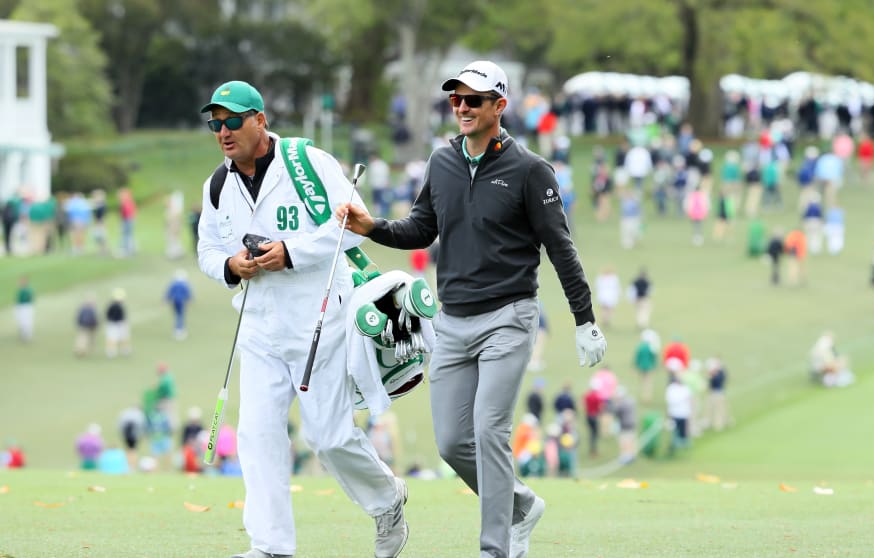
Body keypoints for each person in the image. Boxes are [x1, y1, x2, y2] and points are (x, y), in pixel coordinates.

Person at [337, 61, 606, 558]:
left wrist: (584, 319)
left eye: (473, 100)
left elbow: (561, 247)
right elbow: (421, 228)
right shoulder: (441, 163)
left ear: (499, 107)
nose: (461, 107)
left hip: (509, 317)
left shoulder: (530, 171)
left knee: (489, 431)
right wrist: (371, 226)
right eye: (455, 99)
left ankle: (494, 548)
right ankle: (522, 506)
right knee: (453, 442)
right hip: (451, 323)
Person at [196, 80, 408, 558]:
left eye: (233, 121)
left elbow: (352, 226)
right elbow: (206, 249)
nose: (224, 131)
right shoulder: (216, 184)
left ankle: (387, 499)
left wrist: (290, 253)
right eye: (216, 123)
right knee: (257, 433)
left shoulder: (307, 163)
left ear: (260, 121)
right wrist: (231, 266)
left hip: (320, 321)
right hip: (257, 326)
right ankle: (270, 546)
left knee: (329, 438)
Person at [165, 269, 192, 340]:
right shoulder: (184, 284)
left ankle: (177, 329)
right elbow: (188, 293)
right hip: (181, 301)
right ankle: (180, 329)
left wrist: (166, 299)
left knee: (177, 315)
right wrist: (189, 300)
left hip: (175, 301)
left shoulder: (174, 284)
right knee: (180, 315)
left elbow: (169, 292)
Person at [104, 288, 131, 358]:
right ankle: (113, 351)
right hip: (116, 324)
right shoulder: (116, 306)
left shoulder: (112, 305)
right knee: (115, 338)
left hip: (115, 323)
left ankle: (117, 350)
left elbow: (107, 315)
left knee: (120, 338)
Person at [14, 275, 35, 342]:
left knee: (26, 321)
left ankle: (27, 335)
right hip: (21, 307)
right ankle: (23, 334)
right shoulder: (21, 290)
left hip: (26, 307)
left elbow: (29, 298)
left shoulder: (27, 290)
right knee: (21, 321)